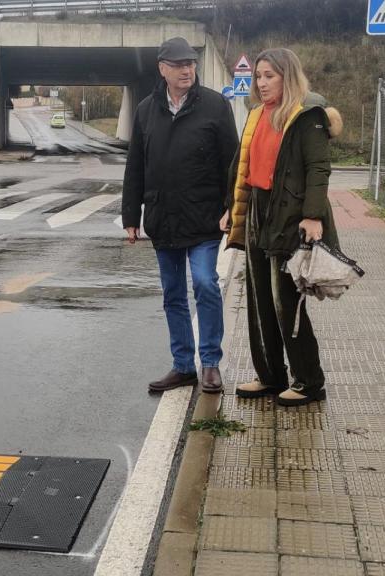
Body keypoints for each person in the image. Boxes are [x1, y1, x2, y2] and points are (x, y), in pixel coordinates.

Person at [220, 48, 343, 407]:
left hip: (290, 214)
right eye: (258, 76)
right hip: (258, 209)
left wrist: (313, 216)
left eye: (269, 75)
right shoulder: (257, 114)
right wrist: (232, 207)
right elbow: (240, 165)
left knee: (285, 299)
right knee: (259, 300)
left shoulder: (306, 116)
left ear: (287, 76)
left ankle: (308, 380)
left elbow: (319, 170)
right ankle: (271, 375)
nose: (261, 82)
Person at [122, 37, 239, 395]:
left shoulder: (216, 106)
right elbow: (135, 166)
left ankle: (210, 364)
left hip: (204, 218)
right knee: (173, 294)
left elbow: (233, 164)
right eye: (178, 64)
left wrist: (232, 208)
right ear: (163, 69)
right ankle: (183, 365)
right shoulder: (145, 110)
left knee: (205, 283)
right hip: (164, 217)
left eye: (190, 63)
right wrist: (131, 214)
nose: (187, 69)